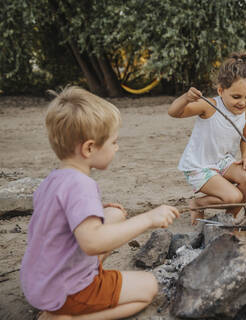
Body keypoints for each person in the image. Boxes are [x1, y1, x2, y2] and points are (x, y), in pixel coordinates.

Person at [20, 86, 180, 319]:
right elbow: (92, 243)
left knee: (114, 215)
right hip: (67, 291)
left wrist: (106, 214)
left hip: (38, 282)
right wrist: (148, 219)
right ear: (89, 148)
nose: (117, 147)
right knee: (148, 287)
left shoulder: (52, 180)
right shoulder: (82, 186)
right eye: (113, 142)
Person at [168, 52, 246, 225]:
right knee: (234, 196)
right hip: (200, 165)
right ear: (221, 90)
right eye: (236, 97)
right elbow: (174, 112)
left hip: (223, 162)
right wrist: (185, 98)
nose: (242, 103)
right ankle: (197, 204)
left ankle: (228, 219)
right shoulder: (210, 106)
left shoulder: (245, 113)